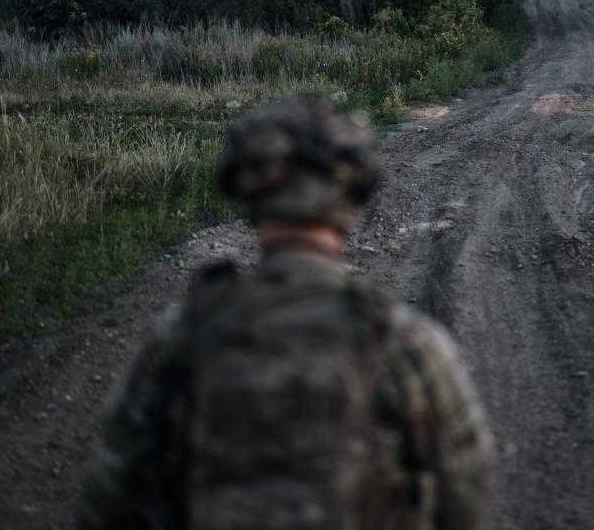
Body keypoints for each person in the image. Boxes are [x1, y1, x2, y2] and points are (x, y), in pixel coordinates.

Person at [77, 98, 495, 530]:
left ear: (250, 194)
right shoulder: (406, 343)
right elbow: (465, 496)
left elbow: (108, 500)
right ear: (353, 200)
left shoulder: (183, 337)